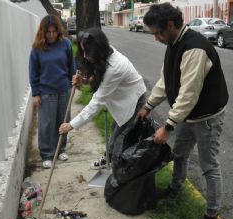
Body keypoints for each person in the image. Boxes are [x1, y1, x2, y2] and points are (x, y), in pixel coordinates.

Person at [137, 3, 229, 219]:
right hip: (189, 115)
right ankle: (175, 189)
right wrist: (149, 105)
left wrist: (167, 126)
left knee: (209, 166)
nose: (156, 38)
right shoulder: (173, 43)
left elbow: (188, 94)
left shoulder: (194, 48)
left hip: (207, 116)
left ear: (170, 25)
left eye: (158, 32)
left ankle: (212, 218)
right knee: (179, 153)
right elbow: (165, 81)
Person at [59, 28, 147, 169]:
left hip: (133, 99)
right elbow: (99, 75)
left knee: (120, 136)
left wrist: (72, 124)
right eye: (84, 51)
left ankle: (118, 172)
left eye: (88, 53)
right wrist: (84, 81)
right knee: (116, 130)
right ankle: (110, 159)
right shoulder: (105, 54)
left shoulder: (116, 66)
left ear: (98, 50)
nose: (86, 56)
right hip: (121, 95)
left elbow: (96, 103)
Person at [29, 15, 76, 169]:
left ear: (58, 31)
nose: (51, 35)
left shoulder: (66, 44)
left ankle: (61, 149)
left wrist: (73, 82)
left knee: (63, 122)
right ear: (43, 32)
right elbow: (33, 72)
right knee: (47, 124)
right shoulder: (37, 49)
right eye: (48, 32)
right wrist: (36, 93)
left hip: (63, 89)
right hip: (46, 92)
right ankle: (47, 154)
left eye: (54, 31)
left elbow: (71, 66)